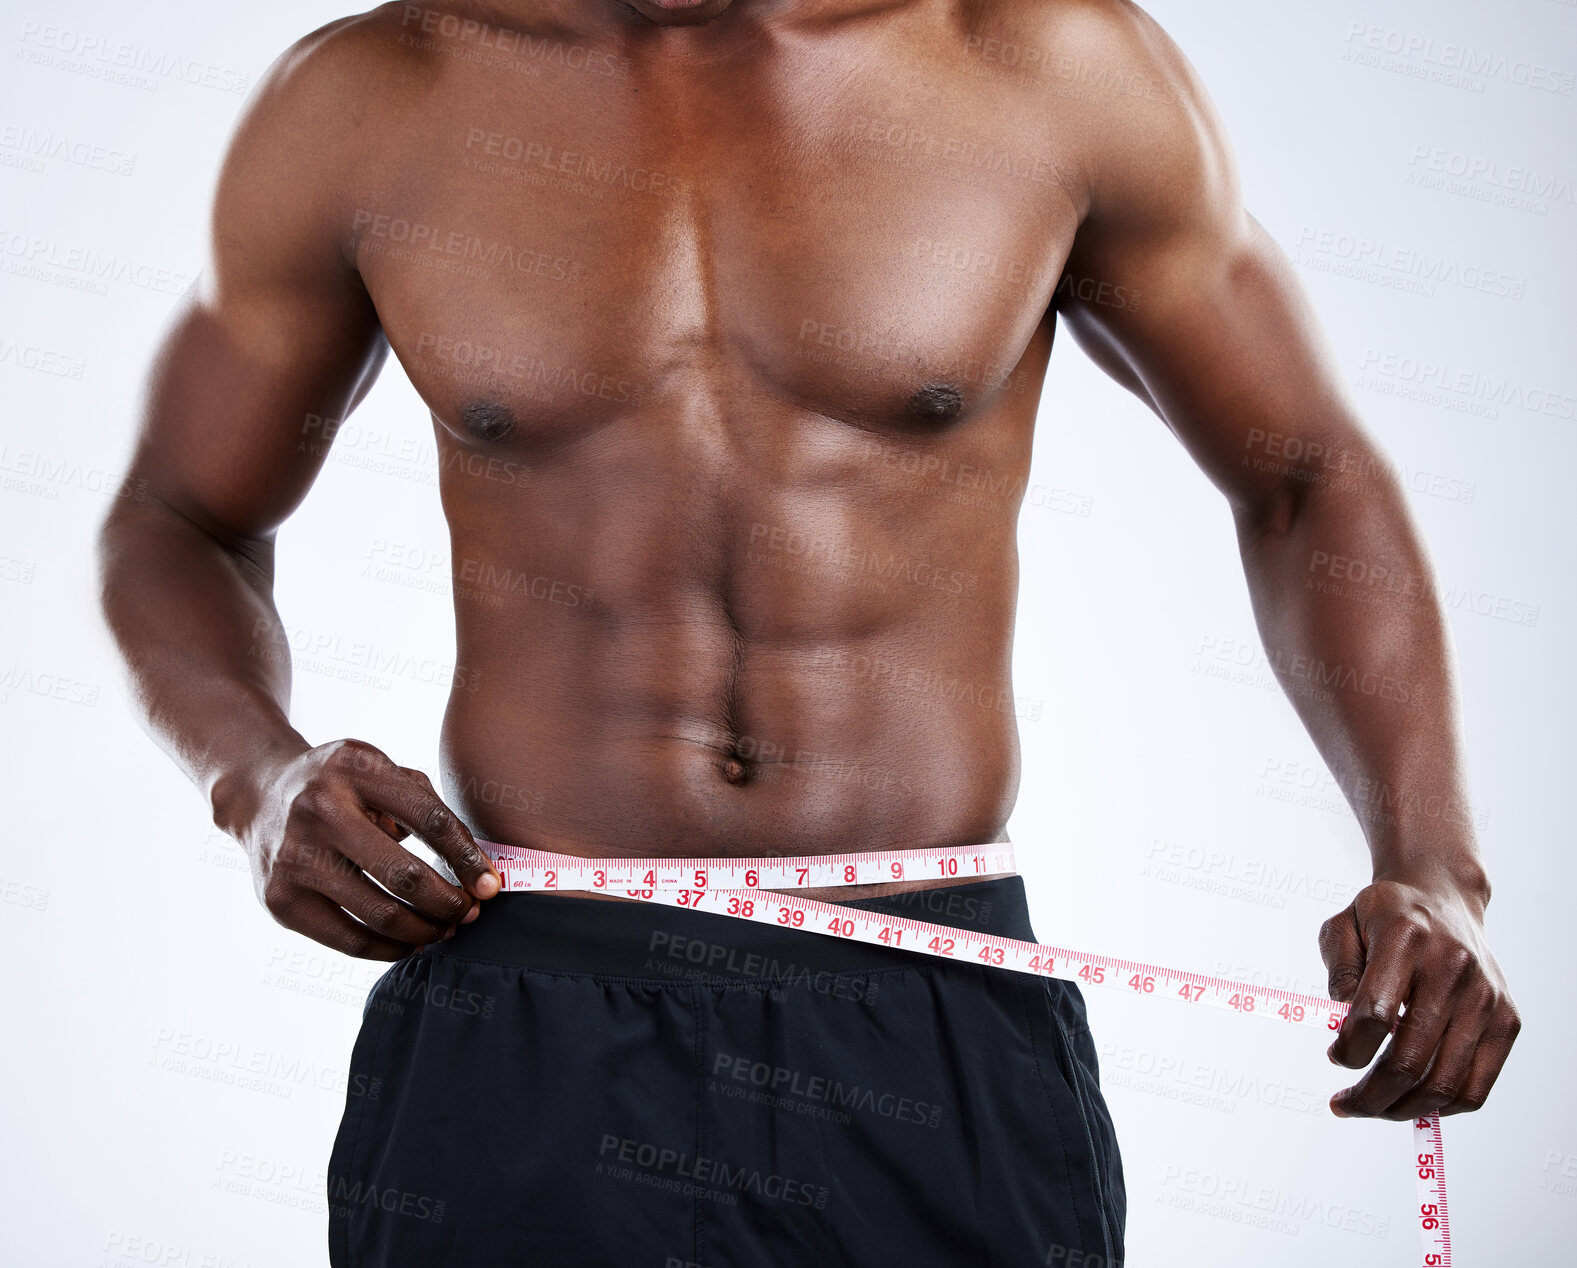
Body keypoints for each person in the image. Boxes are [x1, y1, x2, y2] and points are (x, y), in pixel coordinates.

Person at [97, 1, 1519, 1264]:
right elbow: (177, 514)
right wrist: (257, 774)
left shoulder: (1045, 65)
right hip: (525, 998)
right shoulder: (375, 94)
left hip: (925, 1002)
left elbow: (1301, 474)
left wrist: (1429, 865)